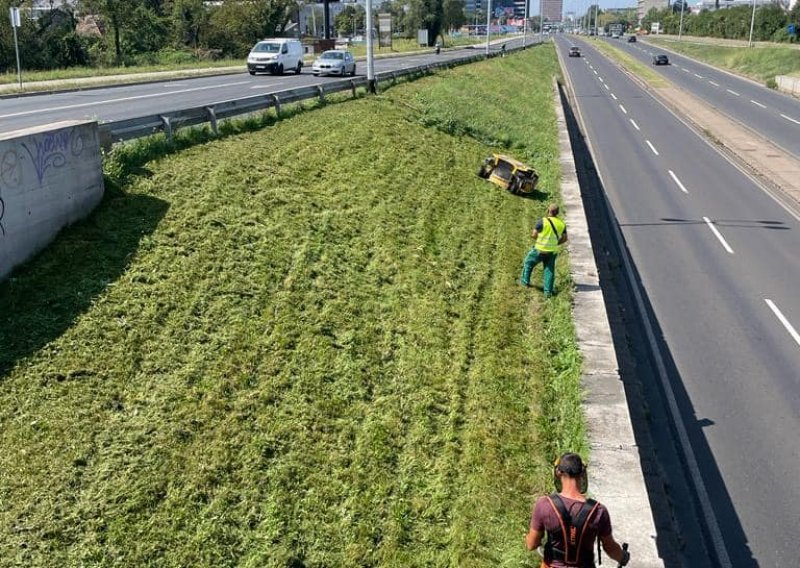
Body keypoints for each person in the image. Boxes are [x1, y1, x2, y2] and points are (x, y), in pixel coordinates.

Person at [526, 453, 630, 567]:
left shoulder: (544, 504)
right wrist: (623, 557)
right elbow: (610, 547)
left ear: (558, 473)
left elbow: (531, 544)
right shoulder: (598, 511)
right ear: (582, 474)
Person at [519, 203, 567, 297]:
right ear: (557, 213)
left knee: (528, 263)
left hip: (539, 250)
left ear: (548, 210)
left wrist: (539, 239)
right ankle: (548, 293)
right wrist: (555, 243)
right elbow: (564, 238)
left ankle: (525, 282)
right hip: (551, 252)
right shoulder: (561, 224)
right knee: (549, 271)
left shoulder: (542, 221)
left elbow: (533, 234)